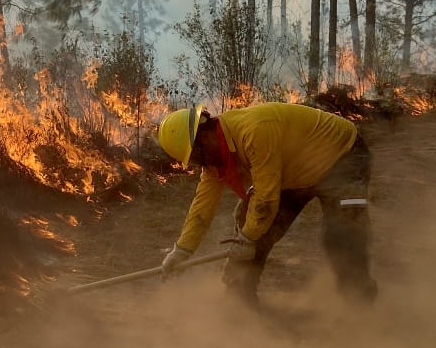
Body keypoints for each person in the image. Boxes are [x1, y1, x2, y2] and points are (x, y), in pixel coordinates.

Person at [155, 101, 377, 308]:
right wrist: (182, 251)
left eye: (196, 157)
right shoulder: (214, 156)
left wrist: (248, 239)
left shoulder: (254, 131)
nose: (199, 164)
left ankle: (359, 306)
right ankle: (239, 303)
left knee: (344, 234)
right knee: (249, 222)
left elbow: (266, 201)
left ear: (203, 137)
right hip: (294, 170)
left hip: (343, 157)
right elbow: (202, 207)